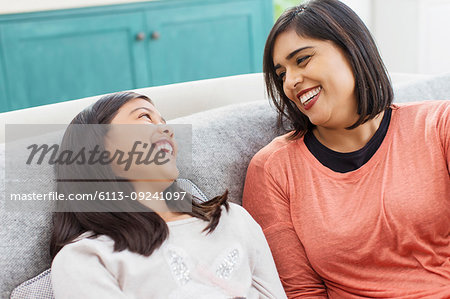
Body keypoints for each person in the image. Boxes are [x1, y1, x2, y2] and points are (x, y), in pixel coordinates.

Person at [242, 0, 450, 298]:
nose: (291, 82)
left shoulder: (439, 125)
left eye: (302, 60)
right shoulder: (274, 169)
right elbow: (301, 291)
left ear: (351, 48)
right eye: (281, 74)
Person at [50, 91, 287, 299]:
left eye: (163, 120)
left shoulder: (233, 218)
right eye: (144, 117)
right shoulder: (86, 257)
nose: (167, 129)